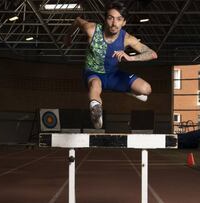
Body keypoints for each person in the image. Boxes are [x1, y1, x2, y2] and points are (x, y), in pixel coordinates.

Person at [64, 1, 158, 129]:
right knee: (95, 85)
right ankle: (96, 113)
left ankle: (128, 90)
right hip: (93, 73)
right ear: (105, 19)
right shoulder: (92, 29)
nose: (114, 23)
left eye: (119, 19)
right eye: (110, 18)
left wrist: (131, 58)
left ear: (124, 22)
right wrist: (68, 36)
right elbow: (77, 21)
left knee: (146, 89)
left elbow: (152, 54)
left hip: (114, 75)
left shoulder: (127, 38)